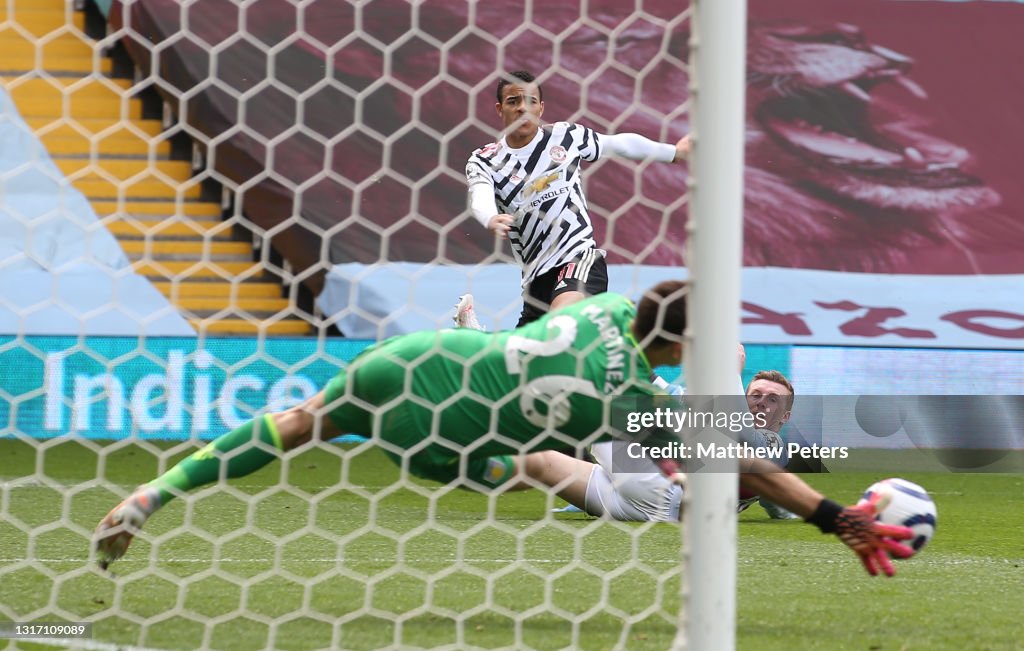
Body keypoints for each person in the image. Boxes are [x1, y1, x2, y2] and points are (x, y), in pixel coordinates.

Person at [94, 281, 913, 577]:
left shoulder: (609, 306)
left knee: (302, 421)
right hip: (442, 437)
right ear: (682, 343)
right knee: (509, 464)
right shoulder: (636, 400)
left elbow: (576, 307)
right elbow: (750, 465)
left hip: (421, 354)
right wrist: (835, 517)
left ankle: (158, 489)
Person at [464, 70, 690, 327]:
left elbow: (617, 144)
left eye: (531, 101)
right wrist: (490, 218)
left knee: (560, 326)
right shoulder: (485, 160)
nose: (522, 108)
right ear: (499, 109)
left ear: (541, 108)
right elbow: (479, 195)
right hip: (535, 278)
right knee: (526, 359)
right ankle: (476, 338)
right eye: (513, 101)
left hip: (578, 259)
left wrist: (674, 152)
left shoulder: (566, 136)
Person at [516, 370, 800, 523]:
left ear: (785, 417)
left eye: (773, 399)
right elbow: (777, 503)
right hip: (652, 489)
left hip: (655, 491)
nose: (761, 401)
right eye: (755, 395)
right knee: (537, 463)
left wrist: (729, 370)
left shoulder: (774, 446)